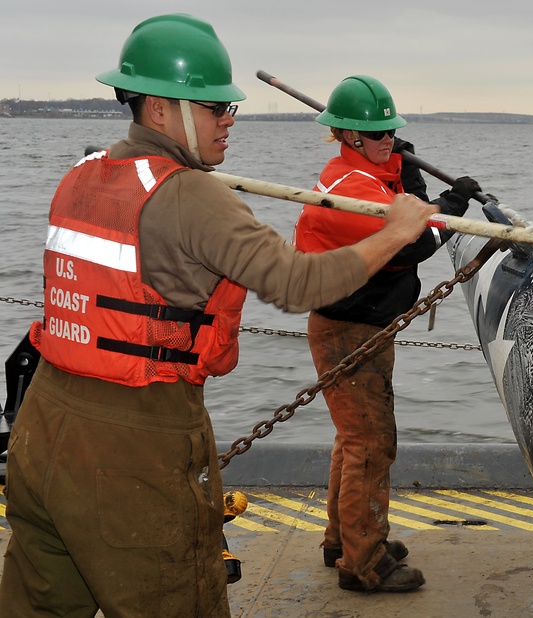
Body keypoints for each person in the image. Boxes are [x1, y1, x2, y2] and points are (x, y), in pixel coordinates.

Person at [0, 14, 437, 617]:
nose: (229, 119)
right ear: (160, 109)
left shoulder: (81, 174)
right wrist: (399, 229)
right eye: (214, 108)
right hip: (133, 445)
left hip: (42, 427)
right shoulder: (188, 192)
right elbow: (296, 281)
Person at [292, 75, 481, 593]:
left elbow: (402, 200)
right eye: (378, 135)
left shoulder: (362, 172)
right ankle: (364, 563)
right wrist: (453, 208)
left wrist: (408, 168)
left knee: (352, 440)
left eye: (392, 133)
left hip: (359, 325)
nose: (387, 141)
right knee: (371, 445)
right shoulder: (354, 194)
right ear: (349, 136)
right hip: (348, 329)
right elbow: (412, 243)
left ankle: (343, 540)